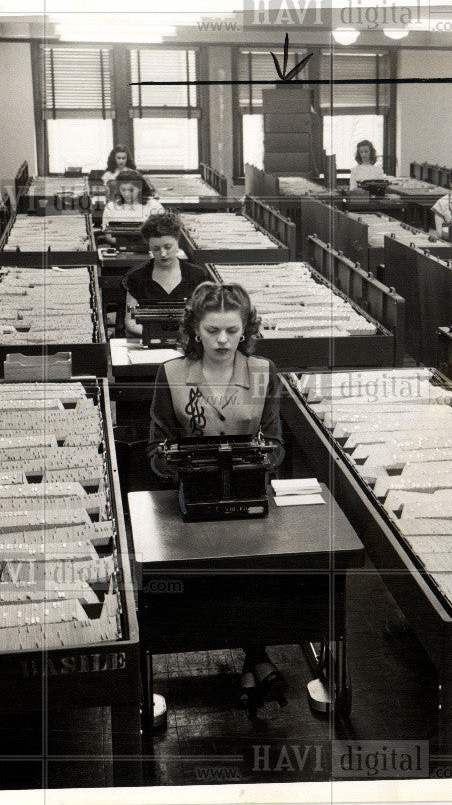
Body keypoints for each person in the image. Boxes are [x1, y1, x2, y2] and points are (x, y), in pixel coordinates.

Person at [148, 282, 286, 712]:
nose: (222, 341)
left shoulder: (263, 371)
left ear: (246, 329)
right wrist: (181, 467)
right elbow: (155, 449)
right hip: (192, 498)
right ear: (195, 330)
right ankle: (255, 656)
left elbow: (278, 445)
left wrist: (257, 463)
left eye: (231, 330)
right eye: (211, 331)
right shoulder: (171, 374)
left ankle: (255, 654)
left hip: (247, 494)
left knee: (253, 570)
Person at [121, 212, 207, 337]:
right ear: (149, 246)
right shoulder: (136, 277)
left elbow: (205, 318)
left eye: (168, 247)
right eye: (156, 248)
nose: (163, 254)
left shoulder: (197, 276)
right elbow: (130, 322)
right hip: (150, 344)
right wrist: (158, 336)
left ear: (177, 242)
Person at [101, 170, 164, 236]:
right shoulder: (111, 207)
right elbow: (108, 235)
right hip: (120, 245)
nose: (126, 194)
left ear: (139, 188)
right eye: (123, 190)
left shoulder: (154, 206)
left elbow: (161, 233)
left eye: (131, 190)